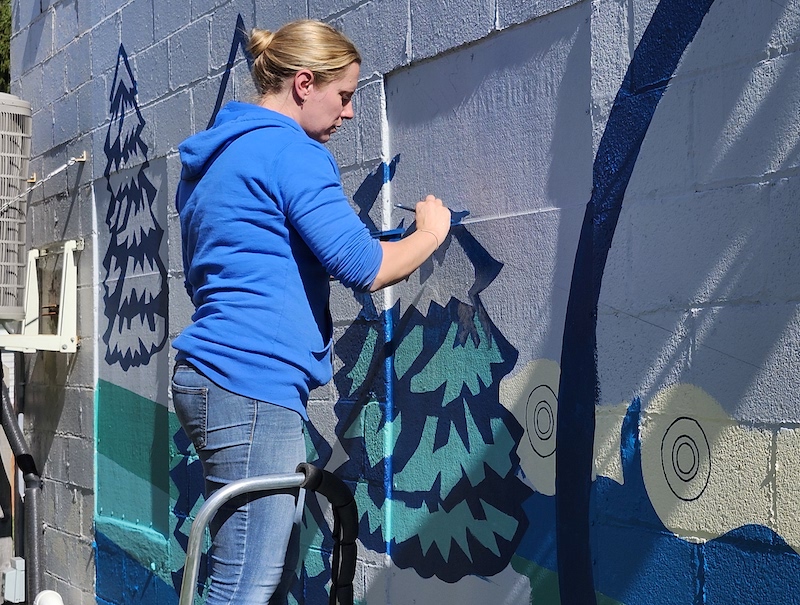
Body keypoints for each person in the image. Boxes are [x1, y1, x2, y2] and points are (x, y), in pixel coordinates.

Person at [171, 19, 451, 604]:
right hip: (251, 385)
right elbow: (365, 268)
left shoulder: (217, 158)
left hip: (209, 378)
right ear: (304, 83)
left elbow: (230, 265)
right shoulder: (293, 152)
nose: (348, 114)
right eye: (344, 96)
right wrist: (429, 233)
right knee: (246, 582)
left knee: (257, 566)